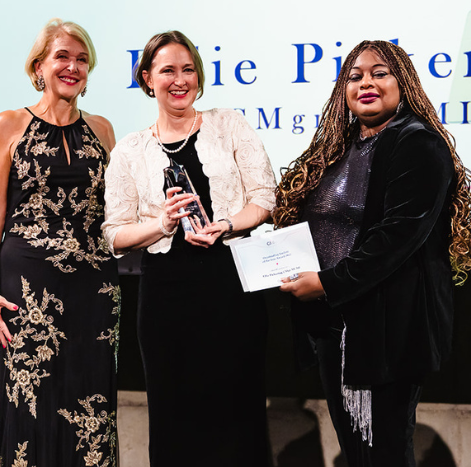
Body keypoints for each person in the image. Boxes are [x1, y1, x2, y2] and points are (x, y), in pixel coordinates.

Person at [275, 40, 471, 466]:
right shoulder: (337, 147)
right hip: (333, 328)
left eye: (379, 73)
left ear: (403, 82)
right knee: (357, 451)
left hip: (387, 329)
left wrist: (326, 283)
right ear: (343, 90)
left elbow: (396, 238)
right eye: (355, 76)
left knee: (384, 452)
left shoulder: (418, 144)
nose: (366, 83)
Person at [102, 30, 276, 467]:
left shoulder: (228, 123)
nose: (179, 80)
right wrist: (161, 222)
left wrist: (226, 225)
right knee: (174, 417)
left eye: (188, 70)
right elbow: (114, 235)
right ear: (147, 78)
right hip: (166, 297)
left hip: (232, 285)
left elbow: (265, 196)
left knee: (239, 411)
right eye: (167, 71)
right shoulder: (129, 150)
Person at [0, 18, 120, 467]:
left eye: (82, 60)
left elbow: (117, 209)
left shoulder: (103, 129)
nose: (72, 67)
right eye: (63, 57)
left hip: (96, 292)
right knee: (30, 407)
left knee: (92, 407)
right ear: (39, 66)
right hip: (29, 292)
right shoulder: (9, 124)